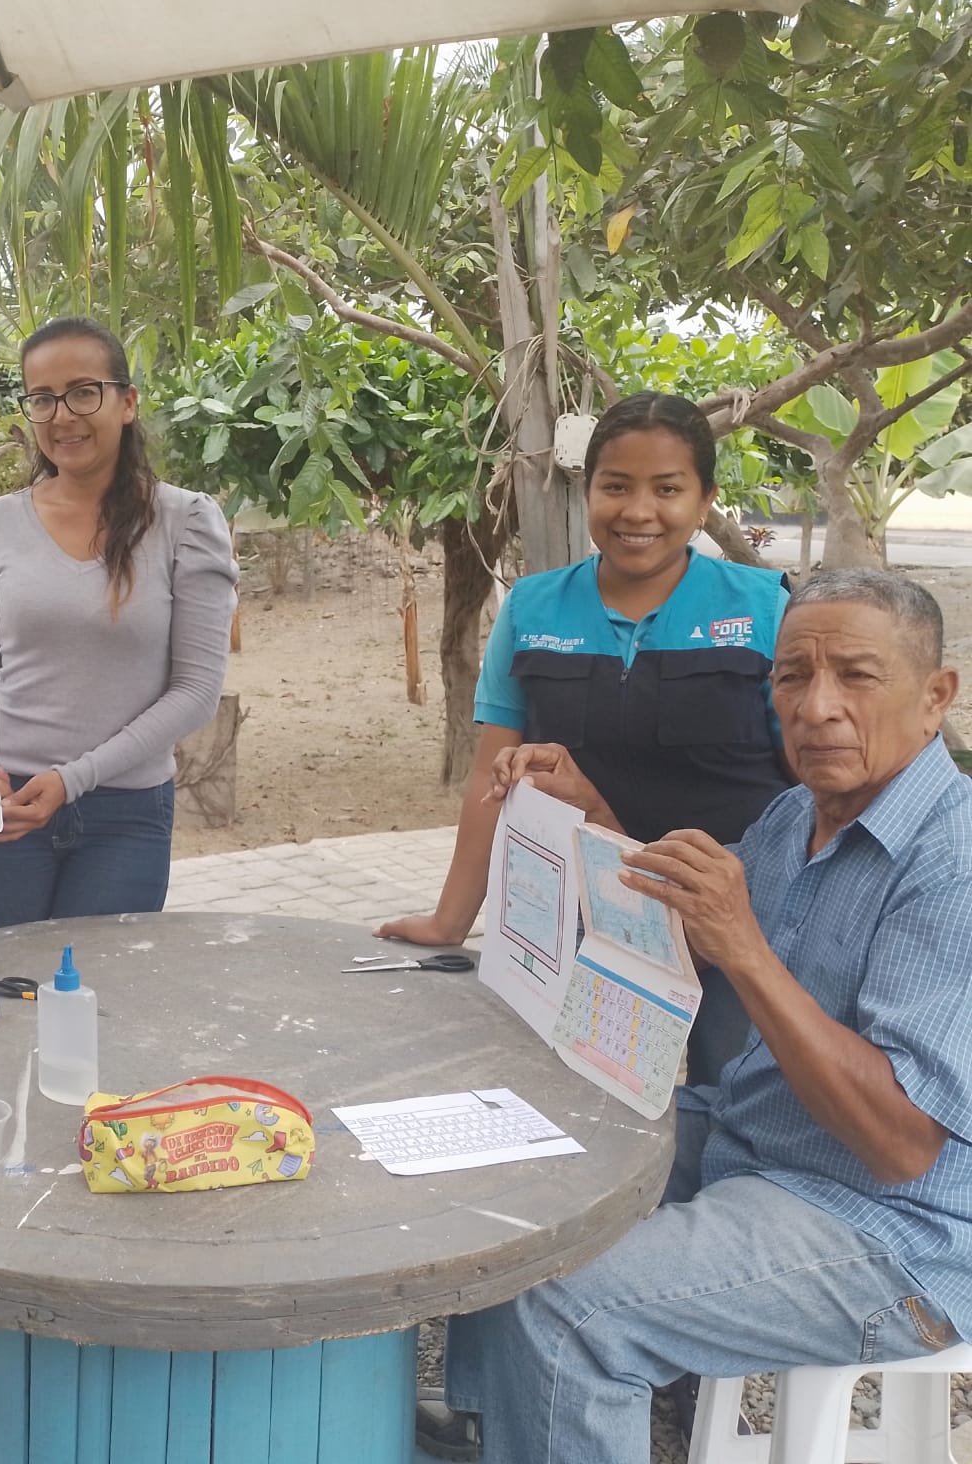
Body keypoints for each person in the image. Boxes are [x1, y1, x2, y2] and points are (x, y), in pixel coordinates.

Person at [420, 568, 972, 1464]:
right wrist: (588, 809)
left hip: (892, 1230)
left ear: (936, 696)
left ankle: (540, 1402)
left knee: (567, 1305)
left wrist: (746, 947)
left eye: (857, 677)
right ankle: (508, 1423)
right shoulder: (798, 815)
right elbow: (678, 930)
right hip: (758, 1139)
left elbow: (901, 1144)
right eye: (792, 677)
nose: (817, 707)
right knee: (519, 1167)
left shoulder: (953, 862)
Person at [380, 391, 792, 1085]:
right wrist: (451, 920)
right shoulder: (533, 608)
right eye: (616, 486)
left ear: (705, 500)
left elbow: (809, 784)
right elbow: (492, 780)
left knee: (736, 1101)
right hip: (587, 918)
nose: (638, 511)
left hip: (738, 914)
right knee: (581, 1098)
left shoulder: (764, 608)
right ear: (588, 490)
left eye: (668, 489)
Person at [0, 315, 237, 927]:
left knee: (99, 977)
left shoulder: (186, 523)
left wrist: (72, 780)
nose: (62, 416)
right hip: (10, 808)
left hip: (126, 813)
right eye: (42, 399)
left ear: (127, 402)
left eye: (83, 392)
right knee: (21, 975)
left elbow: (195, 691)